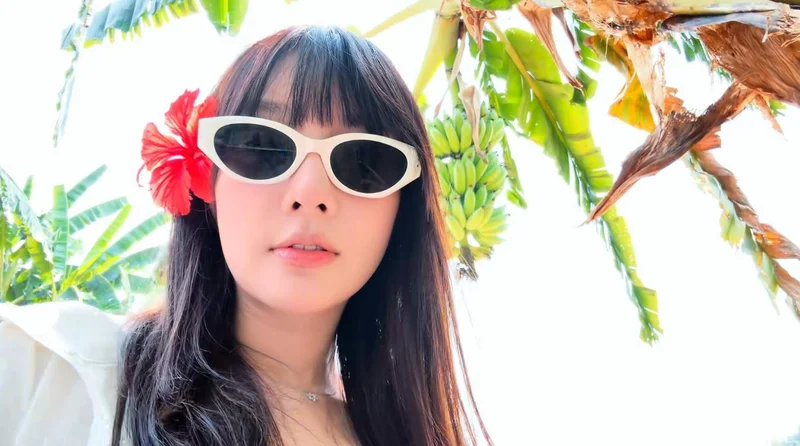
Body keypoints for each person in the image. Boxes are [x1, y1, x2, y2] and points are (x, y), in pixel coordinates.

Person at [0, 25, 493, 446]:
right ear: (206, 182)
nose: (309, 193)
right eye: (263, 146)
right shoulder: (58, 370)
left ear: (403, 210)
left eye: (362, 160)